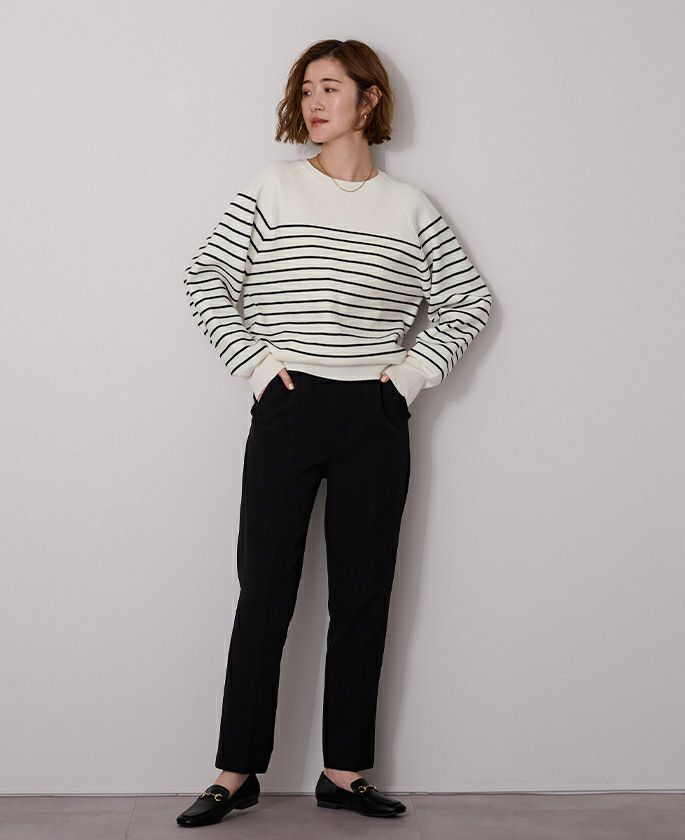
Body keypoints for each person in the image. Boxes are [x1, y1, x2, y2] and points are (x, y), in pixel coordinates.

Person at [176, 38, 492, 827]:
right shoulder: (274, 187)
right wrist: (256, 365)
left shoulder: (410, 207)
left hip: (372, 416)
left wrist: (410, 377)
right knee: (265, 593)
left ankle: (344, 772)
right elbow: (206, 277)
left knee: (362, 597)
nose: (313, 103)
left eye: (328, 88)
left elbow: (469, 301)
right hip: (288, 406)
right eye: (306, 90)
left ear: (368, 98)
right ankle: (235, 772)